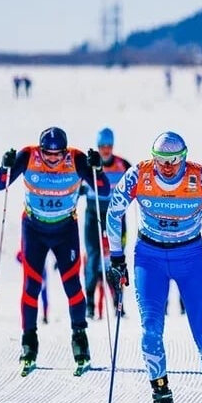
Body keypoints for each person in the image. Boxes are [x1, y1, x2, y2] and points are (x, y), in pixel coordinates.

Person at [105, 131, 202, 403]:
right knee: (151, 330)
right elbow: (113, 212)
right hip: (149, 257)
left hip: (189, 257)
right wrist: (116, 258)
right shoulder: (138, 175)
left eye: (174, 161)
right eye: (161, 161)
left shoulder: (201, 177)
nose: (167, 167)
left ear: (184, 157)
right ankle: (162, 398)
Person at [0, 126, 107, 375]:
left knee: (72, 285)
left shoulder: (76, 159)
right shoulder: (28, 156)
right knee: (31, 286)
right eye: (48, 154)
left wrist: (98, 168)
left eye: (58, 155)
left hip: (65, 230)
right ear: (41, 150)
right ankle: (28, 344)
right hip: (34, 229)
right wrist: (6, 166)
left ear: (65, 152)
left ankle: (80, 341)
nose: (53, 160)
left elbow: (104, 189)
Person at [79, 127, 131, 319]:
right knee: (93, 258)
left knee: (117, 259)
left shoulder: (122, 164)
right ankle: (90, 306)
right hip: (93, 215)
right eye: (102, 146)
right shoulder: (90, 165)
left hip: (115, 217)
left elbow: (135, 186)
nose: (105, 150)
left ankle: (119, 305)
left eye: (108, 146)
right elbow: (76, 187)